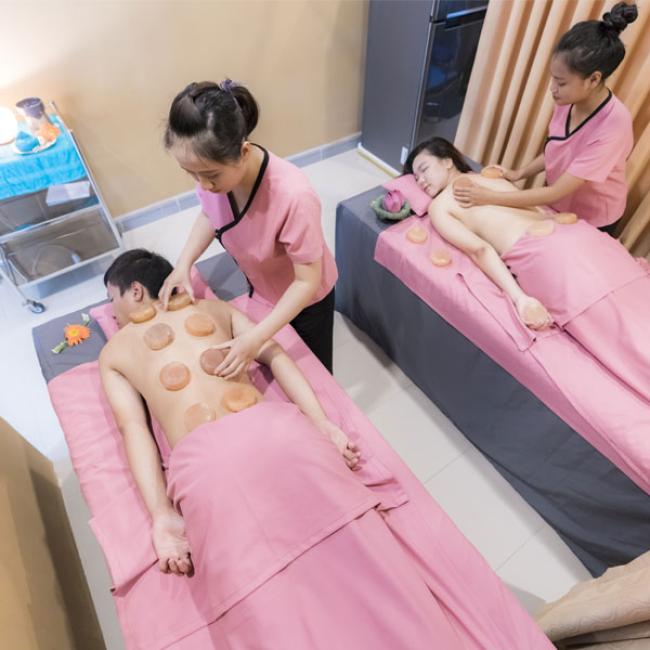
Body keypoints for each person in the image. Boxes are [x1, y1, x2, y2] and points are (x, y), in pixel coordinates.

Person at [97, 249, 462, 648]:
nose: (112, 316)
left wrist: (162, 516)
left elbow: (134, 429)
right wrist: (320, 423)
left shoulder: (115, 351)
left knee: (266, 597)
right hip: (278, 430)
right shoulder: (217, 309)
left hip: (208, 463)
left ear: (135, 291)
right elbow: (275, 354)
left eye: (112, 302)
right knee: (361, 553)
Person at [407, 137, 650, 402]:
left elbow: (481, 251)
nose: (420, 181)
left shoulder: (440, 206)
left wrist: (520, 298)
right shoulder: (490, 180)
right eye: (415, 178)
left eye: (423, 169)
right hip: (575, 231)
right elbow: (533, 208)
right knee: (638, 303)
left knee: (623, 335)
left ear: (447, 161)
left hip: (549, 254)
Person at [159, 80, 338, 375]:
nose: (202, 185)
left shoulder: (294, 197)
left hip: (306, 300)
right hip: (264, 287)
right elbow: (211, 214)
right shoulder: (214, 176)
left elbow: (306, 282)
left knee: (314, 376)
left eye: (210, 175)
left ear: (243, 152)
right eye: (190, 173)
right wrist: (183, 264)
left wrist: (256, 337)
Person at [454, 2, 638, 233]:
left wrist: (488, 197)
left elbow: (556, 191)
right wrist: (519, 173)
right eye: (553, 78)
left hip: (593, 217)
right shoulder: (568, 100)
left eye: (561, 82)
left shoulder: (614, 126)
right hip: (559, 201)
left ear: (593, 79)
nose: (552, 88)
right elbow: (558, 149)